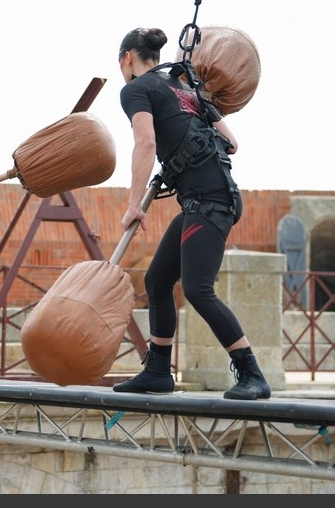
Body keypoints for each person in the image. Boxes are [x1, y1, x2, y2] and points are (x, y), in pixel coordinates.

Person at [112, 27, 271, 400]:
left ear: (126, 59)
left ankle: (252, 374)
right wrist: (182, 153)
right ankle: (157, 372)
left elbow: (146, 142)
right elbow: (231, 143)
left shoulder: (135, 89)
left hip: (210, 199)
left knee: (198, 289)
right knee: (157, 281)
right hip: (208, 198)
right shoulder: (187, 88)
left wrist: (134, 204)